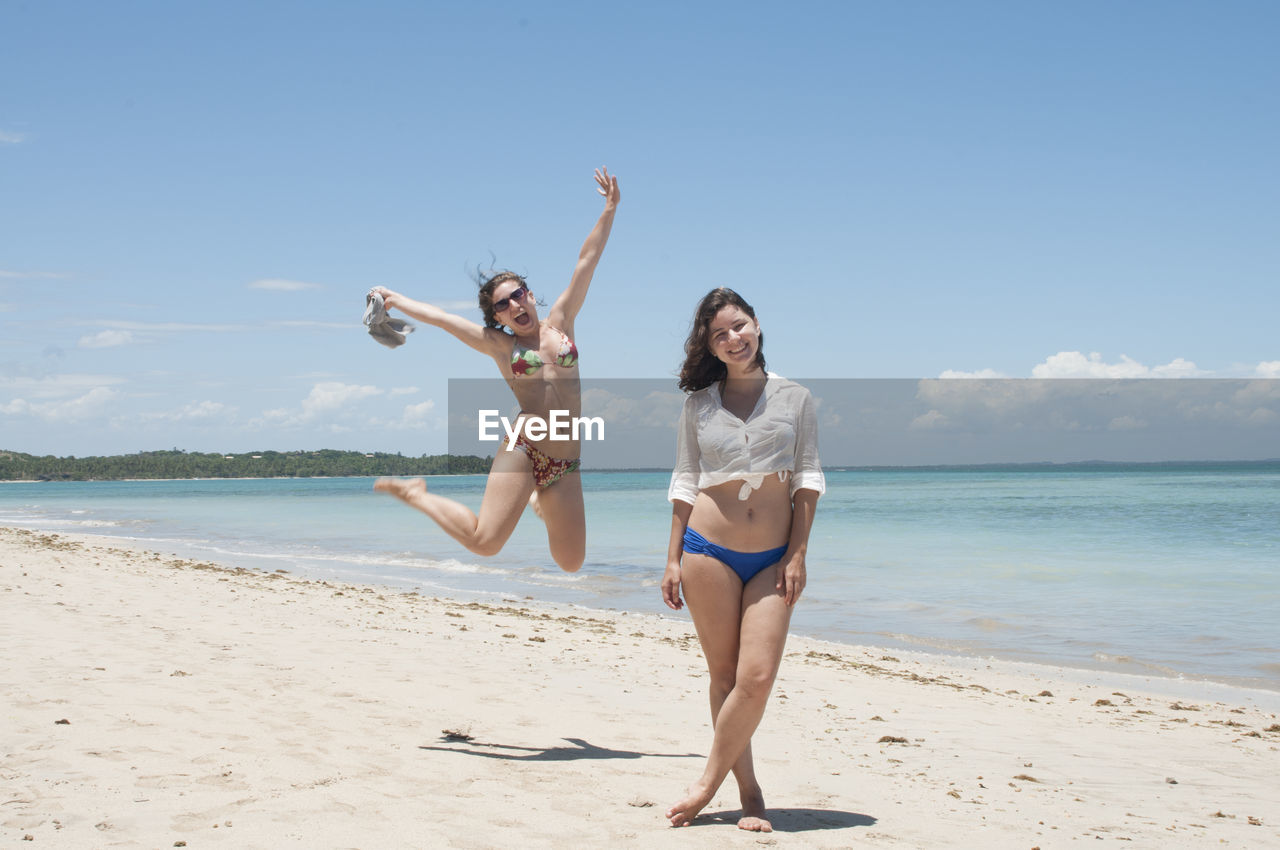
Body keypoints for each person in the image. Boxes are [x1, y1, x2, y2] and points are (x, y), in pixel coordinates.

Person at [372, 168, 620, 573]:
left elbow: (586, 261)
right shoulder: (502, 346)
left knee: (571, 562)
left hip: (565, 459)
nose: (515, 306)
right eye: (503, 305)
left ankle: (538, 498)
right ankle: (418, 494)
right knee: (485, 543)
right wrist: (396, 299)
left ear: (531, 295)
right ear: (499, 318)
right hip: (524, 446)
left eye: (518, 296)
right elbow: (443, 319)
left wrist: (609, 209)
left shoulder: (561, 322)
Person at [661, 287, 824, 831]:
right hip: (708, 550)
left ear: (757, 324)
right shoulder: (698, 405)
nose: (734, 339)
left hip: (775, 558)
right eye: (719, 334)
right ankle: (748, 791)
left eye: (739, 326)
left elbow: (807, 481)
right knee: (724, 674)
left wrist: (798, 553)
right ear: (709, 346)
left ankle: (705, 784)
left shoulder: (795, 397)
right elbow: (685, 483)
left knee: (755, 677)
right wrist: (672, 558)